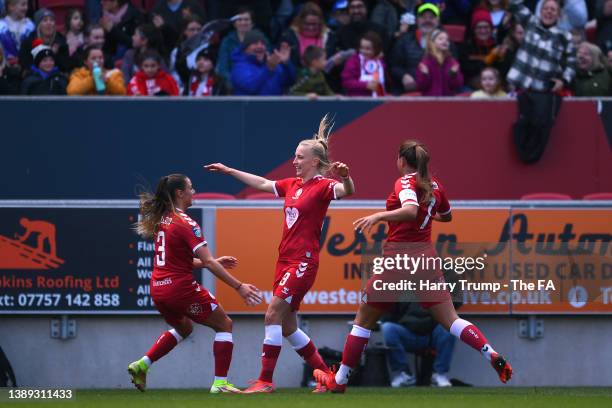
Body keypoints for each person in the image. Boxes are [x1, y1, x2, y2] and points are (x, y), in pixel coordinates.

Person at [313, 140, 513, 393]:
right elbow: (447, 215)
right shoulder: (435, 185)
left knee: (362, 321)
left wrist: (378, 216)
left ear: (401, 160)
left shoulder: (405, 182)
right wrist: (427, 215)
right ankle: (490, 352)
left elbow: (409, 210)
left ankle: (339, 380)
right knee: (452, 320)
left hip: (399, 257)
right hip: (425, 258)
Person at [205, 115, 355, 393]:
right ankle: (328, 378)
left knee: (271, 315)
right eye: (294, 156)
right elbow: (262, 183)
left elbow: (346, 191)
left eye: (300, 157)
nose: (295, 161)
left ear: (314, 162)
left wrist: (346, 177)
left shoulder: (323, 186)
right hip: (284, 261)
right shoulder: (292, 185)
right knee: (287, 327)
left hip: (303, 262)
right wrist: (229, 171)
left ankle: (265, 381)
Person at [128, 174, 262, 394]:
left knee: (184, 327)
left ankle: (142, 364)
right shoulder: (186, 222)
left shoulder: (163, 219)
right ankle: (220, 384)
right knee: (224, 325)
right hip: (180, 288)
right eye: (191, 187)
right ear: (180, 193)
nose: (194, 191)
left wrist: (214, 262)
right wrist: (239, 286)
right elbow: (207, 261)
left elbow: (183, 260)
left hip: (158, 289)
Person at [507, 0, 576, 163]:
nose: (549, 12)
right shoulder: (530, 22)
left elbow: (572, 64)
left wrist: (564, 81)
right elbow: (514, 4)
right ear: (540, 11)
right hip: (519, 87)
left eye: (553, 9)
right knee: (520, 126)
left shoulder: (565, 36)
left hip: (543, 91)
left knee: (540, 127)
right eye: (546, 8)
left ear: (559, 15)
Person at [381, 301, 457, 387]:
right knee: (386, 328)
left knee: (450, 326)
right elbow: (389, 311)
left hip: (432, 334)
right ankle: (404, 374)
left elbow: (455, 302)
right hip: (407, 332)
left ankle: (439, 374)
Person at [390, 2, 444, 94]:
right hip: (409, 89)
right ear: (417, 20)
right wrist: (403, 76)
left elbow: (452, 65)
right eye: (423, 17)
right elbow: (394, 66)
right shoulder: (405, 40)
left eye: (431, 17)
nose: (427, 20)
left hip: (438, 89)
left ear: (438, 21)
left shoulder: (445, 41)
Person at [230, 29, 296, 95]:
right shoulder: (239, 68)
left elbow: (290, 82)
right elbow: (251, 88)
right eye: (255, 43)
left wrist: (286, 64)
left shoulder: (272, 64)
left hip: (275, 105)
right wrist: (268, 69)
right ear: (245, 49)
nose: (260, 46)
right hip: (251, 105)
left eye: (262, 43)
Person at [278, 2, 337, 70]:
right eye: (307, 24)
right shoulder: (288, 37)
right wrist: (286, 63)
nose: (311, 28)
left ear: (321, 23)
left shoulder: (331, 37)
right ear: (300, 22)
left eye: (314, 24)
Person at [18, 8, 70, 73]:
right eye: (45, 20)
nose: (49, 23)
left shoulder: (60, 41)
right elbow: (25, 64)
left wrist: (54, 55)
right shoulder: (29, 42)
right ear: (38, 25)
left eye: (51, 20)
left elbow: (65, 67)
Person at [415, 29, 463, 96]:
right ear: (432, 43)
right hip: (430, 102)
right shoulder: (425, 62)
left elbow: (458, 84)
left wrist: (453, 74)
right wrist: (425, 75)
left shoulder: (452, 62)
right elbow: (421, 86)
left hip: (447, 102)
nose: (445, 41)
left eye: (447, 40)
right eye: (440, 39)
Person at [459, 7, 497, 90]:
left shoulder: (496, 46)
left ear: (491, 29)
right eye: (479, 27)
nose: (483, 31)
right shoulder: (466, 46)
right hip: (471, 86)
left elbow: (500, 70)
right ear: (474, 29)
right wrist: (488, 60)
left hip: (494, 86)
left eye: (486, 27)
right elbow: (466, 69)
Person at [341, 31, 386, 97]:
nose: (363, 51)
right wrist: (366, 85)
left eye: (368, 49)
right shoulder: (354, 61)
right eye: (362, 48)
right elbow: (346, 81)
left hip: (378, 102)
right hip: (357, 102)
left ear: (376, 49)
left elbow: (382, 82)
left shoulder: (380, 62)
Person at [0, 0, 34, 65]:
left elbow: (36, 45)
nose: (26, 8)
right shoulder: (1, 26)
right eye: (23, 5)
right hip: (5, 65)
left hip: (26, 65)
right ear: (11, 6)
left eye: (27, 5)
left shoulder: (30, 25)